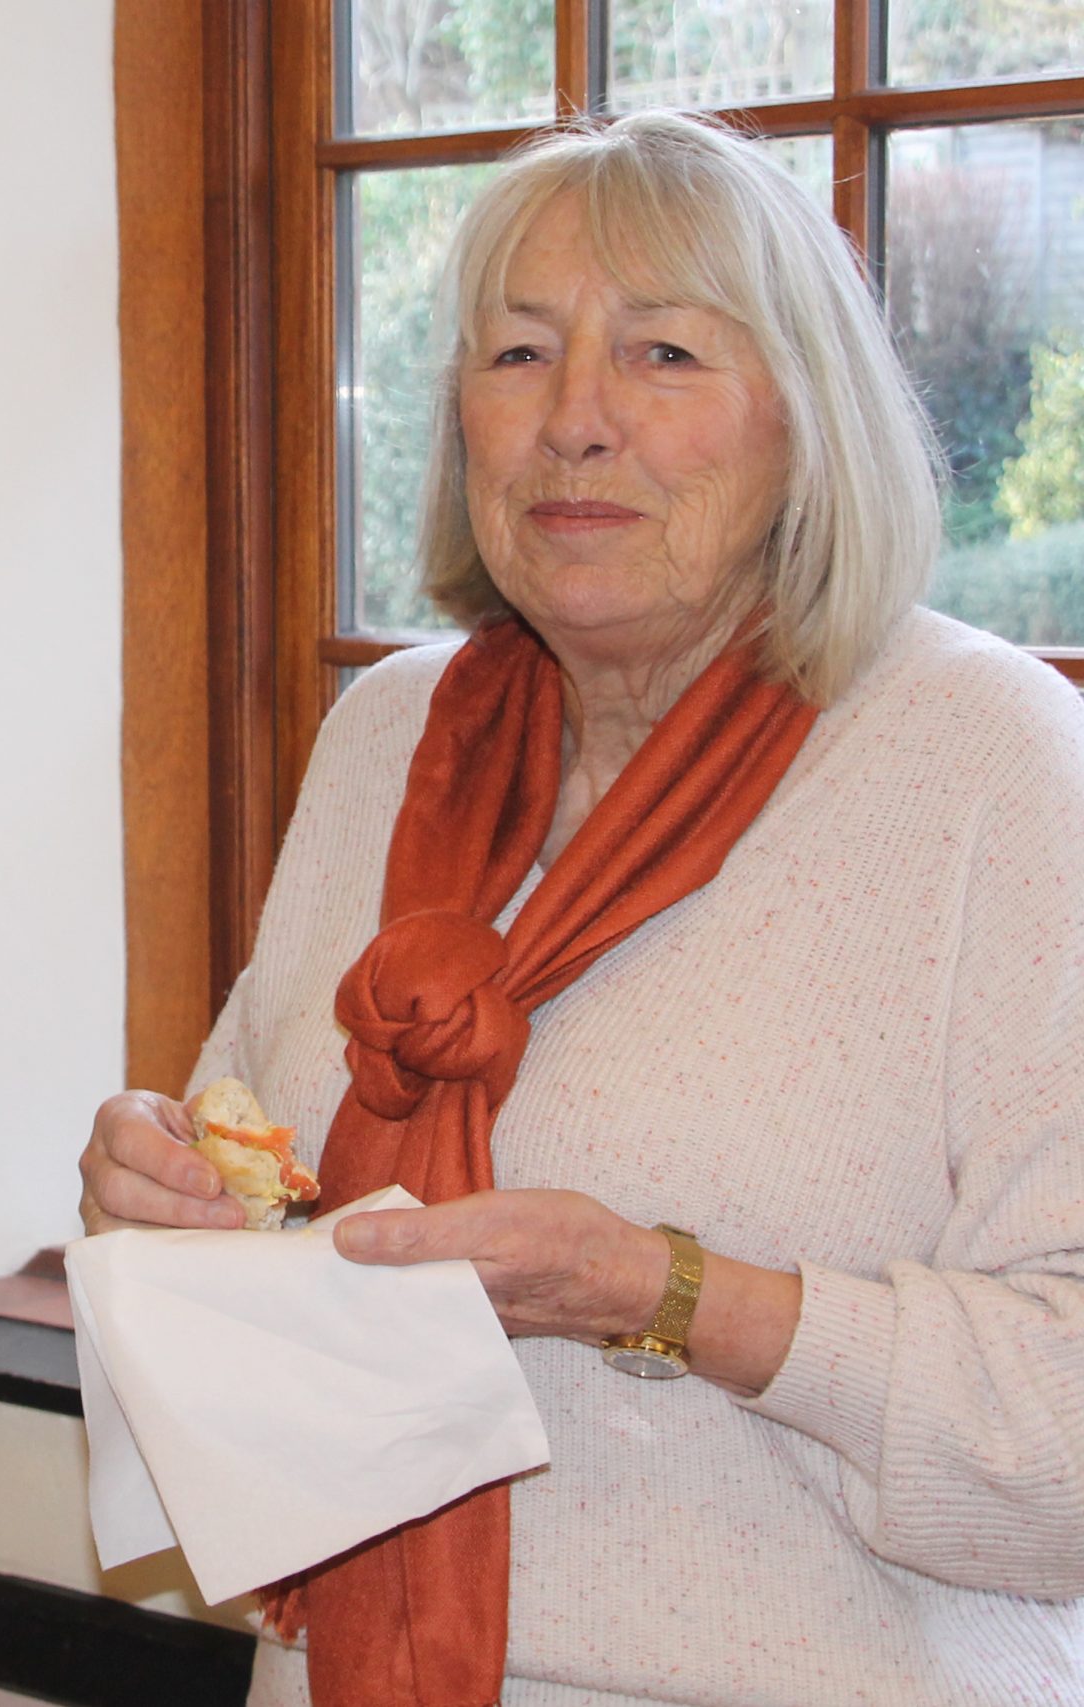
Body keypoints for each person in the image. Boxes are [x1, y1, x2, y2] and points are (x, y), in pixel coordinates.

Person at [80, 110, 1083, 1707]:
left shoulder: (991, 758)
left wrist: (668, 1295)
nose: (575, 423)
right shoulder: (389, 737)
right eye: (520, 354)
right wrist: (168, 1203)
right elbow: (265, 1218)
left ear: (808, 419)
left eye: (665, 354)